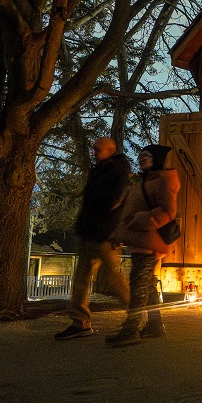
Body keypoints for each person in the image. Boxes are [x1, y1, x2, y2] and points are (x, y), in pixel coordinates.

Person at [55, 137, 131, 340]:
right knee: (81, 279)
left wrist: (109, 228)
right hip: (92, 232)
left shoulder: (118, 171)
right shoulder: (100, 170)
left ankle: (136, 318)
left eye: (98, 149)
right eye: (93, 148)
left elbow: (113, 202)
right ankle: (80, 322)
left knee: (113, 279)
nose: (94, 152)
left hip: (105, 234)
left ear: (110, 150)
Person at [105, 144, 180, 348]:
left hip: (149, 242)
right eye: (140, 155)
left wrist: (142, 220)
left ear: (156, 159)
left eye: (147, 156)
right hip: (140, 241)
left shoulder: (163, 181)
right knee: (146, 286)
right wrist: (120, 233)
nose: (141, 158)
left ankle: (131, 329)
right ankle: (155, 326)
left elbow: (168, 211)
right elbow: (128, 212)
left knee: (138, 287)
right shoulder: (143, 182)